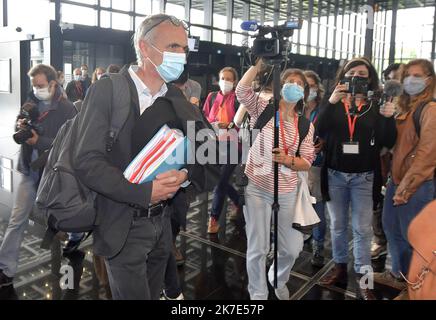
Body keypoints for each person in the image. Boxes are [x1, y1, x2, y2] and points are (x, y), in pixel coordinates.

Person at [70, 13, 209, 300]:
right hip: (122, 223)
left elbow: (205, 149)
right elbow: (87, 160)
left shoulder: (175, 98)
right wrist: (143, 191)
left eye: (184, 48)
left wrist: (183, 176)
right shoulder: (109, 89)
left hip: (163, 224)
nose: (181, 55)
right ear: (145, 48)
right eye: (173, 47)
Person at [317, 57, 397, 300]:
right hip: (334, 174)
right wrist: (330, 102)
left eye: (363, 74)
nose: (358, 77)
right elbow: (318, 129)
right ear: (344, 76)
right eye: (353, 73)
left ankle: (365, 279)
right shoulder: (334, 101)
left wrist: (387, 117)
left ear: (370, 78)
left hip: (364, 177)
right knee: (338, 226)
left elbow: (387, 141)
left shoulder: (375, 105)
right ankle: (340, 269)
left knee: (362, 230)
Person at [236, 59, 315, 300]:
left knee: (292, 248)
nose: (294, 85)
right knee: (258, 247)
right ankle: (258, 294)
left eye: (299, 83)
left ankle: (278, 278)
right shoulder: (263, 108)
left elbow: (308, 160)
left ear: (304, 93)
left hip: (288, 190)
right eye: (289, 81)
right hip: (257, 188)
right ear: (280, 86)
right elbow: (241, 91)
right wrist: (257, 66)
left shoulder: (305, 125)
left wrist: (288, 160)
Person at [0, 64, 76, 288]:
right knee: (17, 219)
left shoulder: (67, 109)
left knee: (63, 217)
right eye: (33, 86)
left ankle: (73, 241)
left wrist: (39, 142)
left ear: (53, 83)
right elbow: (20, 120)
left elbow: (68, 144)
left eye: (40, 86)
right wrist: (20, 124)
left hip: (53, 174)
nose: (36, 90)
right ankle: (6, 269)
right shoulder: (31, 101)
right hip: (29, 169)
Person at [375, 59, 436, 299]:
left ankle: (415, 289)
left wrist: (408, 186)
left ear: (429, 80)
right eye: (407, 75)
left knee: (416, 238)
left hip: (417, 184)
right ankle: (399, 275)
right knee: (392, 229)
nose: (411, 79)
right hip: (396, 179)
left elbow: (427, 153)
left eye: (417, 75)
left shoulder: (429, 109)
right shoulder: (405, 106)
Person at [203, 66, 242, 234]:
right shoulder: (212, 97)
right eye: (223, 78)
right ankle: (239, 201)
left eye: (229, 79)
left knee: (219, 182)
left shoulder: (238, 100)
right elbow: (203, 117)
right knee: (221, 180)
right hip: (214, 143)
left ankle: (214, 219)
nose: (225, 82)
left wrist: (229, 125)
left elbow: (243, 124)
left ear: (235, 82)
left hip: (234, 146)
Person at [303, 70, 327, 268]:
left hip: (315, 165)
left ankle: (319, 245)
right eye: (304, 85)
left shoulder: (323, 111)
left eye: (311, 85)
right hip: (293, 164)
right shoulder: (294, 109)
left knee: (317, 205)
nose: (307, 89)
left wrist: (324, 142)